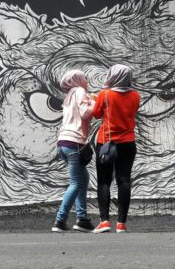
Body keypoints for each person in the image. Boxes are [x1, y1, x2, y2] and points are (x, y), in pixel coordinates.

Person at [92, 64, 140, 233]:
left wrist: (95, 100)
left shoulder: (105, 94)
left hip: (107, 142)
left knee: (104, 181)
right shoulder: (136, 95)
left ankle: (104, 221)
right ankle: (121, 224)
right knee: (124, 180)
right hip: (128, 143)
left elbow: (96, 114)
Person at [52, 69, 96, 233]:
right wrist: (94, 102)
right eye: (85, 78)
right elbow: (85, 113)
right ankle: (60, 220)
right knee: (76, 182)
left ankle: (82, 219)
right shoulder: (80, 91)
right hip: (74, 143)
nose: (87, 81)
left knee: (83, 178)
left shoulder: (69, 95)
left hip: (63, 143)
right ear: (77, 80)